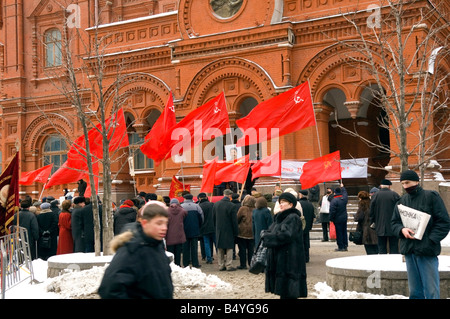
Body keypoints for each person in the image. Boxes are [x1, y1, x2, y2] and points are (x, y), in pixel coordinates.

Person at [391, 170, 450, 299]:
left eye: (407, 182)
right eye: (402, 183)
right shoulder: (401, 201)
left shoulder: (431, 197)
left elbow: (444, 222)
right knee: (415, 291)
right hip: (409, 250)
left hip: (427, 250)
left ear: (416, 181)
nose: (405, 186)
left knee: (431, 291)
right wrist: (402, 230)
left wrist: (430, 240)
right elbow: (394, 223)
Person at [98, 204, 173, 299]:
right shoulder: (132, 249)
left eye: (166, 223)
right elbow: (109, 289)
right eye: (159, 223)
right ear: (145, 223)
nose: (164, 228)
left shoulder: (157, 245)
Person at [262, 192, 307, 299]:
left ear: (291, 204)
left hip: (289, 261)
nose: (280, 205)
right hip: (281, 260)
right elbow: (271, 231)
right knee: (284, 293)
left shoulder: (293, 218)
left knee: (289, 292)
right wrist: (266, 234)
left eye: (283, 202)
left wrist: (268, 237)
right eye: (280, 202)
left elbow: (286, 235)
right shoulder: (280, 217)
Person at [369, 179, 400, 254]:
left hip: (380, 225)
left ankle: (383, 263)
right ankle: (393, 262)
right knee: (394, 247)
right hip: (393, 225)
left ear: (381, 186)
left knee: (381, 247)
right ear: (389, 186)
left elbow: (371, 211)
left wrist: (372, 221)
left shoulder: (375, 196)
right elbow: (399, 210)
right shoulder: (395, 195)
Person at [213, 189, 239, 271]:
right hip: (229, 229)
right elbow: (234, 221)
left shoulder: (216, 204)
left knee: (220, 247)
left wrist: (216, 227)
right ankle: (229, 265)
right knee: (229, 247)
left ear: (224, 194)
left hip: (219, 229)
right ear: (230, 195)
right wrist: (236, 231)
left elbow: (213, 218)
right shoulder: (232, 206)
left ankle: (221, 265)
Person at [180, 193, 204, 268]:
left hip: (184, 230)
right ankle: (195, 263)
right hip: (195, 230)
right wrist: (199, 226)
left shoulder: (181, 207)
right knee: (194, 248)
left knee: (185, 248)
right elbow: (202, 218)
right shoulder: (197, 206)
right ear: (192, 198)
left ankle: (185, 263)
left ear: (185, 199)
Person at [165, 198, 187, 266]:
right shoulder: (182, 210)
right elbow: (185, 214)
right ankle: (178, 265)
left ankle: (171, 266)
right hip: (179, 235)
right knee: (178, 253)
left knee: (170, 253)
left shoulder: (166, 211)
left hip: (169, 236)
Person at [236, 195, 256, 269]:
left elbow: (237, 219)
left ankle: (243, 265)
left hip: (242, 232)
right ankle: (251, 264)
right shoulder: (255, 209)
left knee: (242, 249)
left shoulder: (242, 208)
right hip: (252, 232)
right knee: (251, 250)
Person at [329, 183, 348, 251]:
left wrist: (331, 218)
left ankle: (341, 246)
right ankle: (345, 245)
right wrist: (343, 187)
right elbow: (345, 193)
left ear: (335, 193)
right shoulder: (344, 199)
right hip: (344, 218)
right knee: (344, 231)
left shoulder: (334, 200)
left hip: (337, 219)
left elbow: (332, 211)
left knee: (339, 232)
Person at [198, 193, 216, 264]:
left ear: (199, 198)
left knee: (206, 243)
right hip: (213, 226)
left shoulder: (199, 206)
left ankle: (209, 259)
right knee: (216, 243)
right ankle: (221, 258)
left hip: (204, 227)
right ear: (206, 197)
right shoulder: (212, 204)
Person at [299, 190, 315, 262]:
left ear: (301, 195)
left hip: (301, 225)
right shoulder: (310, 204)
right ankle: (307, 257)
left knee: (301, 242)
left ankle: (302, 257)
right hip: (308, 226)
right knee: (306, 242)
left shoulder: (299, 204)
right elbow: (313, 216)